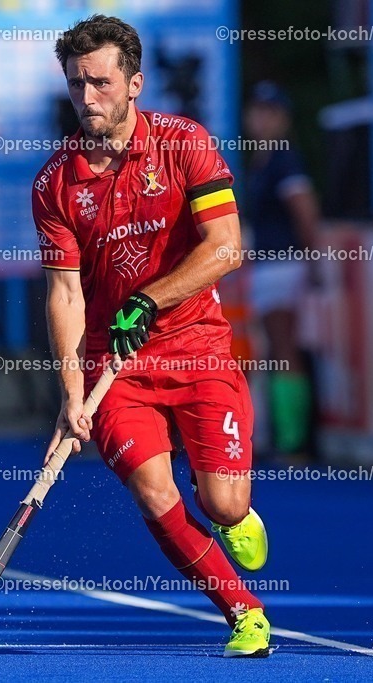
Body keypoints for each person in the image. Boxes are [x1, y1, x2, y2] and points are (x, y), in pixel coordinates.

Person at [33, 15, 270, 657]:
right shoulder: (55, 183)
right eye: (76, 84)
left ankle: (232, 513)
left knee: (221, 504)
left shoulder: (185, 144)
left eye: (101, 83)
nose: (87, 98)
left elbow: (226, 249)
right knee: (152, 488)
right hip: (118, 367)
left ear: (134, 83)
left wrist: (150, 297)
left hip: (198, 349)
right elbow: (65, 292)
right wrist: (71, 393)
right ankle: (243, 614)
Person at [243, 82, 321, 459]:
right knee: (274, 348)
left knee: (285, 347)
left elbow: (304, 211)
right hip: (267, 266)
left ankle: (293, 441)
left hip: (284, 266)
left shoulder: (284, 159)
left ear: (283, 119)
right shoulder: (262, 162)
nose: (262, 119)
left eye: (270, 112)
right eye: (258, 110)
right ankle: (282, 435)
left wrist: (314, 260)